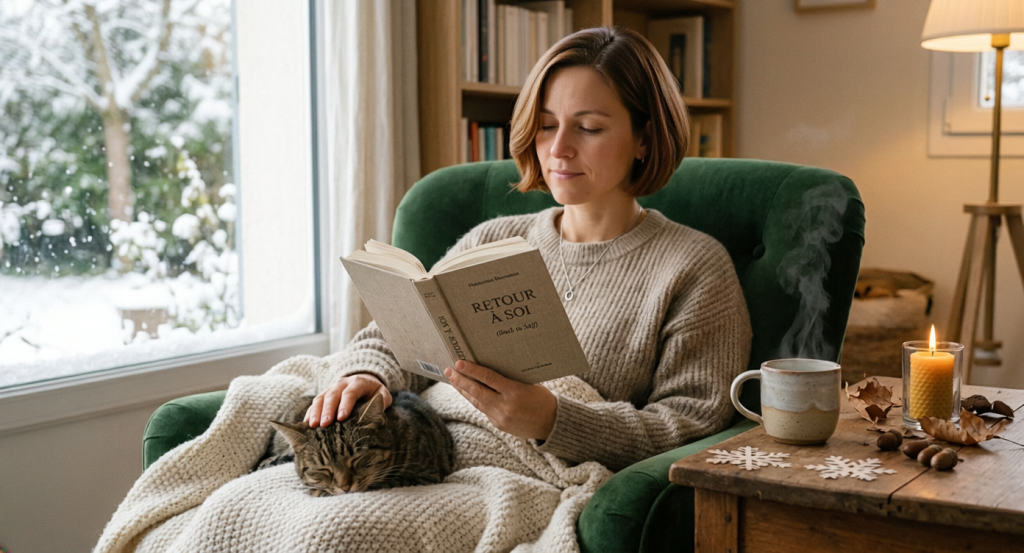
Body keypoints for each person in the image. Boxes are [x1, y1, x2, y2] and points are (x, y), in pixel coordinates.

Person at [306, 26, 751, 473]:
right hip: (415, 460)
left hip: (531, 480)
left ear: (645, 139)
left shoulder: (694, 267)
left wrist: (556, 420)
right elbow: (395, 338)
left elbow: (693, 425)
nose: (558, 149)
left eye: (589, 128)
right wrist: (365, 376)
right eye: (546, 126)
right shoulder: (492, 241)